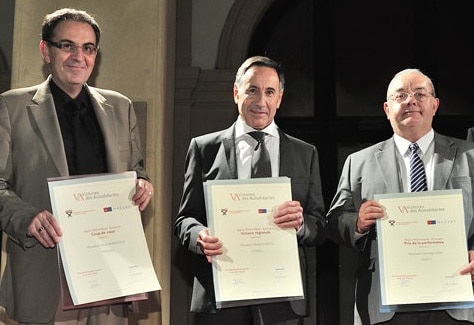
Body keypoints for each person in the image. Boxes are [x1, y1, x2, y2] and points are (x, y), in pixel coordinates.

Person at [0, 8, 153, 324]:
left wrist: (141, 183)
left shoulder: (121, 107)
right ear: (46, 50)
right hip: (44, 274)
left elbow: (136, 168)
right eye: (67, 45)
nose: (78, 56)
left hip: (109, 276)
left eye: (88, 48)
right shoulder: (10, 107)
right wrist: (26, 217)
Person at [173, 56, 326, 325]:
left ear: (280, 98)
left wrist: (301, 225)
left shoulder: (305, 153)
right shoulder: (204, 148)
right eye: (252, 90)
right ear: (236, 92)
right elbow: (185, 220)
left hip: (283, 300)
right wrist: (200, 237)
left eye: (269, 92)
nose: (261, 101)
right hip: (220, 297)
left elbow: (319, 225)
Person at [327, 68, 474, 325]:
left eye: (420, 94)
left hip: (456, 298)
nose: (411, 101)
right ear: (386, 108)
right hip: (385, 304)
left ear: (434, 105)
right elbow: (334, 221)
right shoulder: (358, 162)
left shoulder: (469, 155)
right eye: (401, 95)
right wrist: (358, 223)